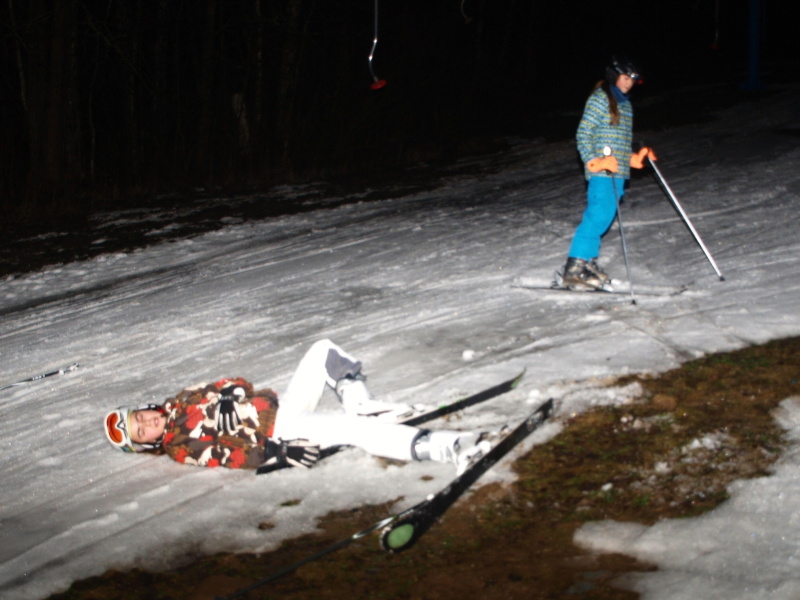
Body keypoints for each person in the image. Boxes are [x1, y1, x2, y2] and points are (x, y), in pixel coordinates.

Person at [103, 339, 489, 474]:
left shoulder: (181, 399)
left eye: (140, 417)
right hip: (279, 430)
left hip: (280, 405)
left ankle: (362, 403)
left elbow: (232, 383)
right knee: (353, 431)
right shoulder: (180, 446)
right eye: (142, 431)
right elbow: (227, 457)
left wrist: (229, 393)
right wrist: (276, 451)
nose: (147, 422)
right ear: (148, 444)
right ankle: (451, 447)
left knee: (323, 350)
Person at [561, 55, 657, 290]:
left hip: (618, 172)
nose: (628, 83)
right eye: (625, 78)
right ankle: (575, 267)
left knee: (604, 218)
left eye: (632, 79)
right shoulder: (599, 99)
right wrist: (594, 161)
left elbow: (619, 142)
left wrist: (632, 158)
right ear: (614, 76)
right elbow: (584, 134)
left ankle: (587, 261)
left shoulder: (625, 105)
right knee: (597, 217)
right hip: (602, 171)